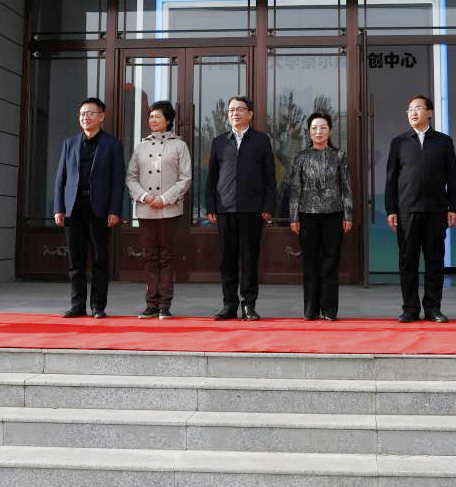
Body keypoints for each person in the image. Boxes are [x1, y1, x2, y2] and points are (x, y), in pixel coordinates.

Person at [385, 95, 456, 323]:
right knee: (407, 261)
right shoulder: (399, 142)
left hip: (436, 210)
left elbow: (453, 178)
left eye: (418, 108)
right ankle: (410, 308)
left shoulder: (443, 142)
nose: (413, 113)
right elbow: (391, 179)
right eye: (409, 110)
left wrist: (453, 207)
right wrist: (391, 209)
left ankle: (433, 308)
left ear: (430, 112)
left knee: (434, 261)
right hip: (407, 211)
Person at [206, 95, 276, 321]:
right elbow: (211, 178)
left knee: (249, 259)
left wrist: (268, 205)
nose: (234, 113)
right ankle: (229, 305)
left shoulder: (261, 141)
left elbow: (270, 177)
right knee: (227, 260)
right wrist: (211, 206)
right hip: (225, 209)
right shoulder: (219, 142)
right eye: (231, 110)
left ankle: (248, 305)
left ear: (250, 114)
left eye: (239, 109)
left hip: (252, 209)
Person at [53, 97, 125, 318]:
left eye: (90, 113)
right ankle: (77, 305)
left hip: (100, 210)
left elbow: (117, 180)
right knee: (75, 261)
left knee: (100, 260)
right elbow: (60, 179)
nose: (85, 117)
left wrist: (115, 210)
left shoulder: (113, 145)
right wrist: (58, 208)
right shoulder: (69, 143)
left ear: (101, 117)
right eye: (82, 113)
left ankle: (98, 306)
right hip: (74, 208)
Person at [125, 100, 192, 320]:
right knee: (150, 256)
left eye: (158, 116)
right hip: (146, 210)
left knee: (166, 256)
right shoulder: (141, 146)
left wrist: (164, 199)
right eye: (151, 116)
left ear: (168, 120)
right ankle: (150, 304)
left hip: (169, 209)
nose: (153, 120)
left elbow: (185, 178)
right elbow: (131, 177)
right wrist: (145, 197)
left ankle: (164, 304)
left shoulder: (179, 146)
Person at [287, 113, 354, 321]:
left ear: (330, 131)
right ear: (309, 131)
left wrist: (348, 215)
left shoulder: (339, 156)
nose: (319, 131)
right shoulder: (301, 157)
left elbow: (346, 187)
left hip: (334, 214)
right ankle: (311, 309)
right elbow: (295, 188)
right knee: (310, 262)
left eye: (323, 127)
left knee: (330, 262)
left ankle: (329, 309)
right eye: (314, 128)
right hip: (307, 215)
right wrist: (293, 217)